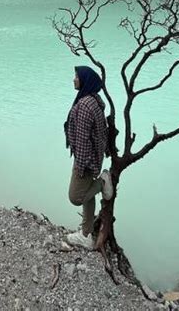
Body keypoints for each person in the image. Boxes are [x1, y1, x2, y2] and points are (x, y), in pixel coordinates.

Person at [64, 65, 113, 250]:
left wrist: (81, 166)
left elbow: (83, 139)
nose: (74, 79)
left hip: (86, 161)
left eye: (76, 76)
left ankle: (102, 182)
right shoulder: (93, 100)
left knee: (76, 197)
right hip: (93, 157)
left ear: (85, 80)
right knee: (86, 195)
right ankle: (86, 234)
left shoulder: (84, 106)